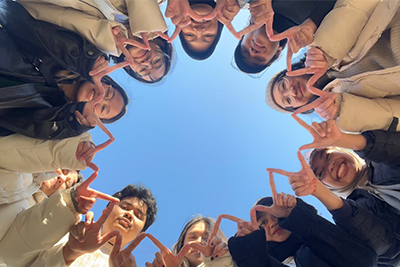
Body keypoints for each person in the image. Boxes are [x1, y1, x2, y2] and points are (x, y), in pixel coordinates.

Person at [268, 115, 400, 266]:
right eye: (321, 173)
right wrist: (319, 191)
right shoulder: (353, 211)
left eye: (328, 155)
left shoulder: (381, 159)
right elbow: (391, 250)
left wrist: (343, 139)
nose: (329, 165)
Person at [0, 0, 129, 139]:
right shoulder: (72, 61)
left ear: (94, 118)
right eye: (109, 93)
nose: (101, 98)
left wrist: (71, 123)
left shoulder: (55, 114)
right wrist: (85, 61)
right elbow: (18, 21)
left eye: (103, 108)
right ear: (106, 80)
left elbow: (15, 122)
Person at [228, 173, 378, 267]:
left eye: (275, 216)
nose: (273, 222)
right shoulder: (271, 260)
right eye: (263, 223)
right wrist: (253, 257)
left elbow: (364, 260)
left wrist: (298, 216)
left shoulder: (322, 236)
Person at [16, 0, 174, 84]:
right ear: (160, 45)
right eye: (157, 62)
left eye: (144, 70)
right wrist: (147, 22)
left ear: (130, 67)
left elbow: (32, 7)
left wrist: (102, 36)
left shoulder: (90, 45)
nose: (147, 62)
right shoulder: (157, 2)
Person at [23, 184, 157, 267]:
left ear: (140, 233)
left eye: (138, 216)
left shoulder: (127, 266)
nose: (129, 214)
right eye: (124, 207)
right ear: (106, 210)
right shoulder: (71, 233)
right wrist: (70, 251)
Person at [233, 0, 336, 76]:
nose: (253, 52)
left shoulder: (249, 2)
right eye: (259, 59)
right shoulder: (313, 32)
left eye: (245, 50)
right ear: (277, 53)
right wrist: (312, 24)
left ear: (243, 36)